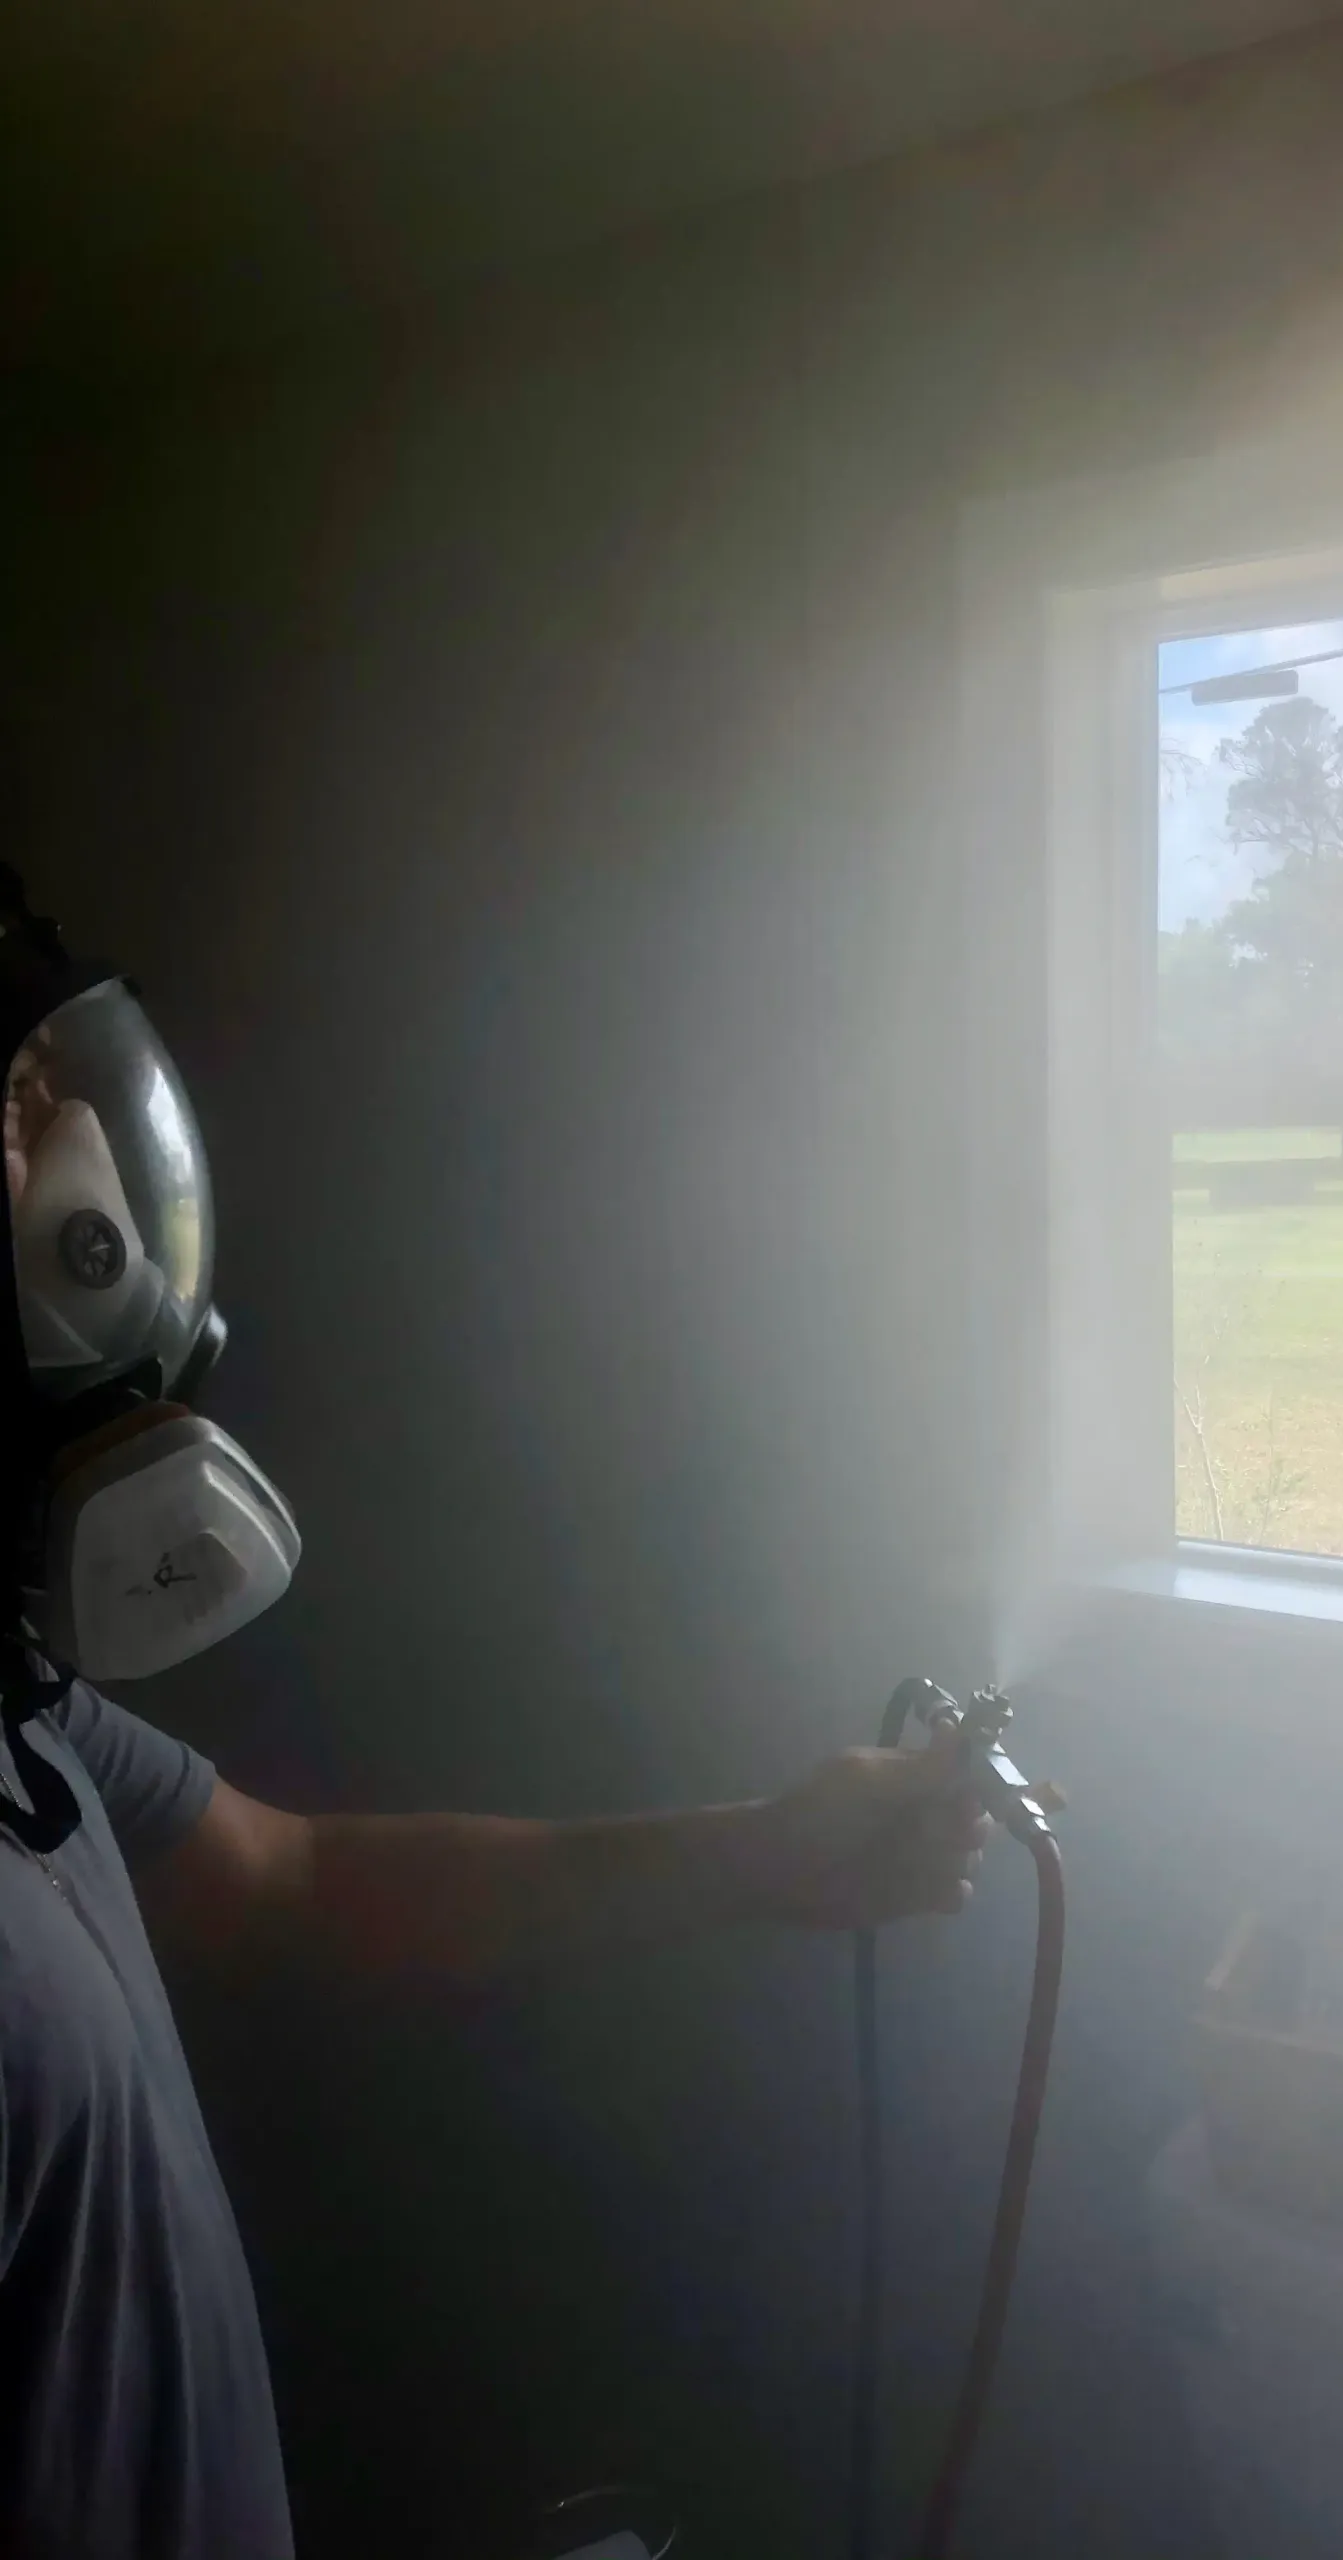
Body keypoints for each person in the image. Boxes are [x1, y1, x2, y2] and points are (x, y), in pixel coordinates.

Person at [0, 873, 987, 2560]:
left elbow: (293, 1881)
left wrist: (765, 1859)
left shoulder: (20, 1696)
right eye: (16, 1115)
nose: (75, 1135)